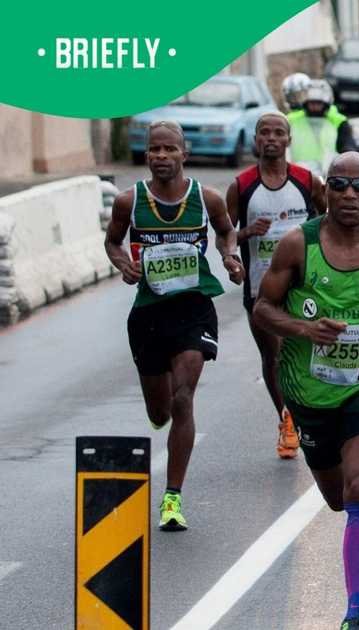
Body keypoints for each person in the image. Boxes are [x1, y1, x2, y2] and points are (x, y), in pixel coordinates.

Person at [253, 152, 359, 630]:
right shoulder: (296, 246)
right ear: (324, 192)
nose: (349, 195)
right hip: (308, 394)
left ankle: (355, 613)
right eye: (339, 185)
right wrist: (305, 330)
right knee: (338, 499)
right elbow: (263, 309)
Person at [104, 121, 245, 531]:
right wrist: (123, 264)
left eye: (169, 149)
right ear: (146, 156)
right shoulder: (129, 202)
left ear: (184, 154)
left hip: (193, 308)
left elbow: (226, 233)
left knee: (184, 400)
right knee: (160, 409)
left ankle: (172, 497)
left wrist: (231, 257)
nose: (161, 157)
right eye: (154, 150)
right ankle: (157, 411)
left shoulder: (208, 199)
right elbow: (112, 242)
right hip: (149, 313)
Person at [227, 112, 326, 459]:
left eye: (278, 133)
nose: (271, 138)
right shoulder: (241, 186)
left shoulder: (306, 181)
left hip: (303, 288)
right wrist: (244, 237)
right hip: (259, 288)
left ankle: (305, 415)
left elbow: (331, 221)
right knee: (274, 356)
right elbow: (226, 237)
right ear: (256, 140)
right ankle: (286, 419)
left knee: (302, 354)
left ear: (288, 140)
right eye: (264, 133)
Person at [288, 80, 359, 177]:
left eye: (318, 103)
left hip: (329, 174)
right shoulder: (291, 120)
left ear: (326, 104)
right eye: (311, 103)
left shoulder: (338, 121)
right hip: (297, 173)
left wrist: (352, 151)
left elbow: (346, 143)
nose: (314, 107)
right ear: (305, 103)